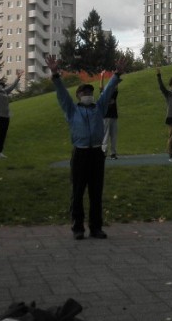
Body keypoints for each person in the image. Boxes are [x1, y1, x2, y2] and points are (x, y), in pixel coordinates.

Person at [45, 54, 123, 240]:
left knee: (96, 193)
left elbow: (109, 90)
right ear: (78, 96)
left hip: (96, 154)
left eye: (90, 92)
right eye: (84, 93)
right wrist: (55, 74)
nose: (88, 95)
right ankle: (77, 227)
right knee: (78, 192)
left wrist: (117, 74)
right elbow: (62, 94)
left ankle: (96, 227)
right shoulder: (71, 110)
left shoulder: (100, 107)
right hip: (80, 154)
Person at [0, 68, 21, 159]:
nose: (2, 86)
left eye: (3, 85)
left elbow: (12, 87)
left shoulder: (4, 92)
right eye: (0, 85)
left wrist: (18, 78)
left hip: (6, 117)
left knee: (3, 135)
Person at [101, 76, 119, 159]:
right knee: (106, 135)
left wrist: (116, 76)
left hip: (114, 117)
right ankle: (104, 152)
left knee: (113, 136)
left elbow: (116, 86)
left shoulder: (114, 94)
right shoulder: (103, 95)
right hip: (106, 117)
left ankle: (113, 153)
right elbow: (101, 87)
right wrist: (102, 77)